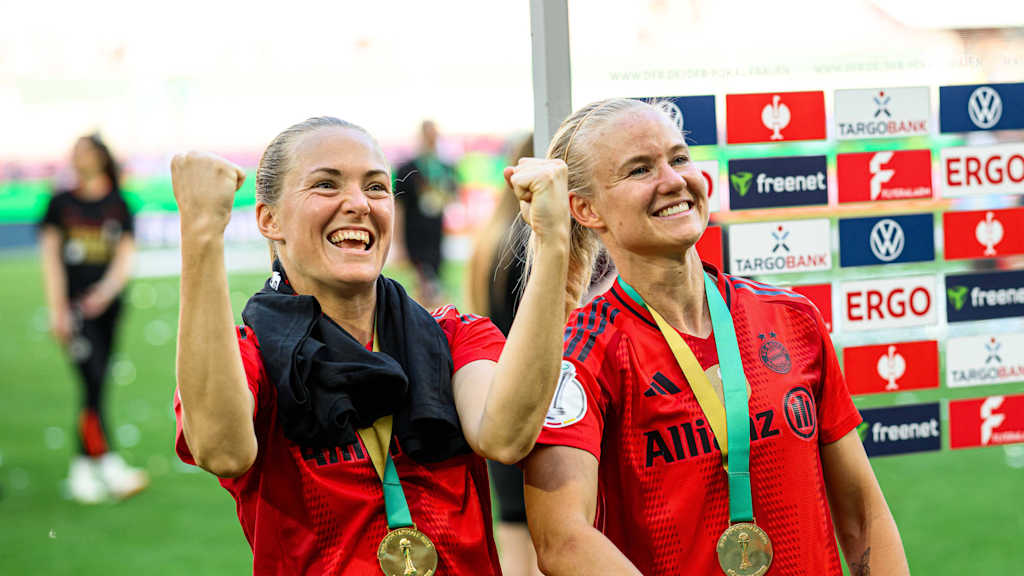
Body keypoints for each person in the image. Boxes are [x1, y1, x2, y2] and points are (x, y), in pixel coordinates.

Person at [521, 99, 910, 576]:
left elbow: (862, 514)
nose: (672, 180)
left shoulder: (791, 317)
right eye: (640, 169)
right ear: (585, 208)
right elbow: (561, 540)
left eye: (679, 158)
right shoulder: (580, 354)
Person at [170, 116, 569, 575]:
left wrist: (553, 242)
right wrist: (201, 235)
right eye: (326, 184)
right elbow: (222, 451)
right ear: (269, 218)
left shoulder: (454, 337)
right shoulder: (250, 358)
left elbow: (504, 436)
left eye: (376, 188)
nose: (359, 203)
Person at [39, 134, 149, 504]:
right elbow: (51, 259)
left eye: (86, 152)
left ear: (102, 158)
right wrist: (58, 310)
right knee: (92, 383)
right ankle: (98, 467)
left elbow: (124, 257)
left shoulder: (119, 204)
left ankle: (89, 469)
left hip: (108, 309)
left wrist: (105, 293)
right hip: (74, 311)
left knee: (96, 385)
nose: (78, 158)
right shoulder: (60, 203)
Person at [466, 134, 543, 576]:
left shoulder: (494, 233)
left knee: (514, 538)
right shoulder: (528, 242)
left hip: (501, 396)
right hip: (532, 407)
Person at [394, 120, 457, 308]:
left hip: (436, 235)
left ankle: (432, 317)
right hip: (413, 236)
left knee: (433, 279)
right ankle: (423, 316)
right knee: (423, 281)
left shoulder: (444, 167)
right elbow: (399, 208)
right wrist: (398, 243)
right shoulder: (407, 169)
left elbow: (452, 197)